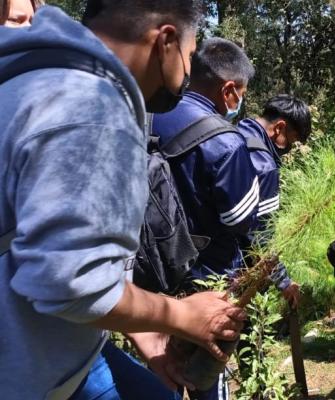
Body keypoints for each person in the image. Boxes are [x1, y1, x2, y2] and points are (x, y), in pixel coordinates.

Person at [0, 2, 246, 399]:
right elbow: (71, 284)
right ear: (165, 42)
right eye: (187, 56)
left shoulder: (36, 73)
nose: (186, 77)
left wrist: (148, 338)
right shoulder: (93, 109)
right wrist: (181, 315)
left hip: (67, 353)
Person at [151, 37, 268, 400]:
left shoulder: (150, 114)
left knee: (160, 373)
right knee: (205, 381)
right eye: (241, 93)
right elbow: (241, 220)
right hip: (207, 284)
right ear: (229, 89)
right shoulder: (225, 140)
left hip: (150, 274)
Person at [237, 94, 314, 308]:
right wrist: (284, 281)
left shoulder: (233, 134)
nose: (289, 149)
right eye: (291, 141)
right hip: (231, 268)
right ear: (279, 127)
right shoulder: (264, 165)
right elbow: (261, 236)